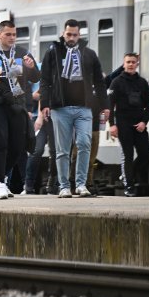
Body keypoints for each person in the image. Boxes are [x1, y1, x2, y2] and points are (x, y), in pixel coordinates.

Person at [40, 19, 108, 198]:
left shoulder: (88, 54)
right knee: (62, 149)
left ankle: (80, 184)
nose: (71, 38)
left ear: (80, 35)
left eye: (75, 35)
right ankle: (63, 186)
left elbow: (99, 82)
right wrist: (45, 104)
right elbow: (45, 79)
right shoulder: (53, 52)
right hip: (60, 108)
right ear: (63, 33)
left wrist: (105, 105)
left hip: (84, 109)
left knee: (84, 143)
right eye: (68, 34)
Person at [0, 20, 40, 199]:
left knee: (18, 146)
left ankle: (2, 176)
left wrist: (31, 67)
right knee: (0, 141)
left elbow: (35, 78)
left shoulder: (22, 53)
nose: (12, 38)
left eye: (14, 34)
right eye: (8, 34)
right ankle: (0, 183)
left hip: (18, 105)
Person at [108, 53, 149, 197]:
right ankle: (129, 187)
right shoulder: (116, 82)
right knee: (128, 155)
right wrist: (112, 125)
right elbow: (110, 104)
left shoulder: (143, 83)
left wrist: (144, 122)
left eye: (133, 62)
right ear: (124, 64)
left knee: (145, 154)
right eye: (128, 62)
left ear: (137, 64)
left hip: (139, 124)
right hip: (123, 123)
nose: (131, 64)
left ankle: (127, 174)